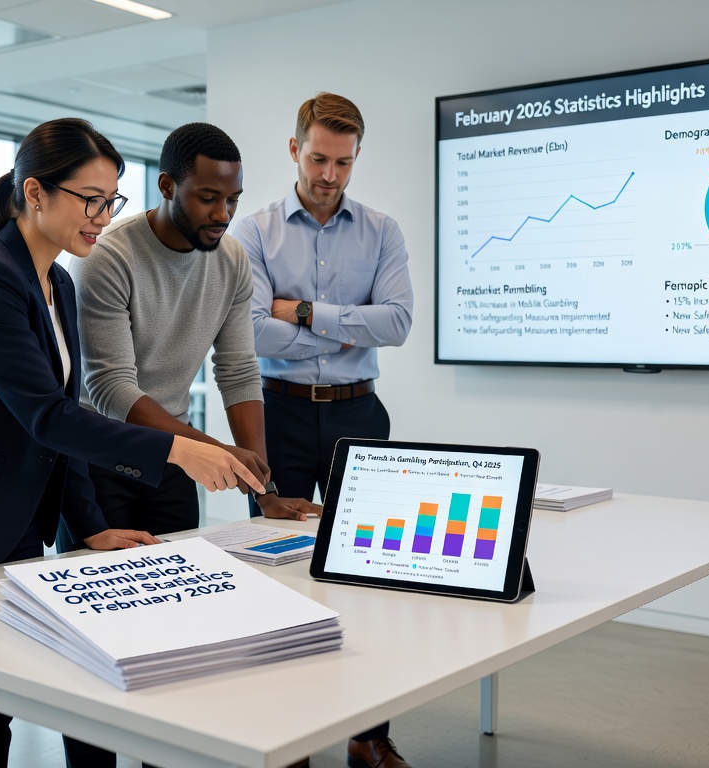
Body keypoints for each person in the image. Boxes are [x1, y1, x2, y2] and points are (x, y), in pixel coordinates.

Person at [0, 117, 262, 768]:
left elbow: (61, 428)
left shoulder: (55, 283)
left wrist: (90, 526)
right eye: (90, 200)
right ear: (35, 194)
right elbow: (45, 416)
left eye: (110, 202)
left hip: (9, 526)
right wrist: (178, 449)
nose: (102, 217)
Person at [59, 121, 319, 768]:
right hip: (97, 463)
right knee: (97, 643)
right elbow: (111, 388)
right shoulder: (108, 257)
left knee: (177, 635)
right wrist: (217, 454)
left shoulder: (229, 259)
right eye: (207, 197)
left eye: (231, 199)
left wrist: (267, 487)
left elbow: (236, 370)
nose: (222, 214)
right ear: (168, 186)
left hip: (171, 463)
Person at [234, 93, 415, 768]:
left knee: (370, 571)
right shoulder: (252, 231)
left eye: (342, 161)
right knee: (272, 573)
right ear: (293, 149)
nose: (329, 174)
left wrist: (304, 312)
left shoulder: (383, 231)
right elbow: (251, 329)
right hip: (276, 411)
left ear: (356, 157)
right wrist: (347, 319)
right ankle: (286, 735)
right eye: (317, 158)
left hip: (358, 412)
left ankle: (369, 733)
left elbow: (397, 324)